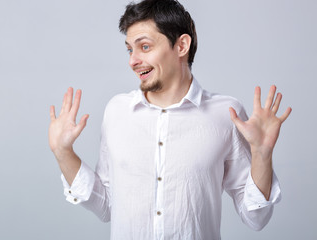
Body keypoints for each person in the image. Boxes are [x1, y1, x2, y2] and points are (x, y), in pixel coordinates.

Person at [48, 0, 292, 239]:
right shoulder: (117, 111)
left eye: (144, 47)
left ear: (181, 46)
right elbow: (106, 206)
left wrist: (262, 154)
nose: (132, 60)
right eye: (129, 49)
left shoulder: (226, 114)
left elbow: (256, 219)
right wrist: (63, 152)